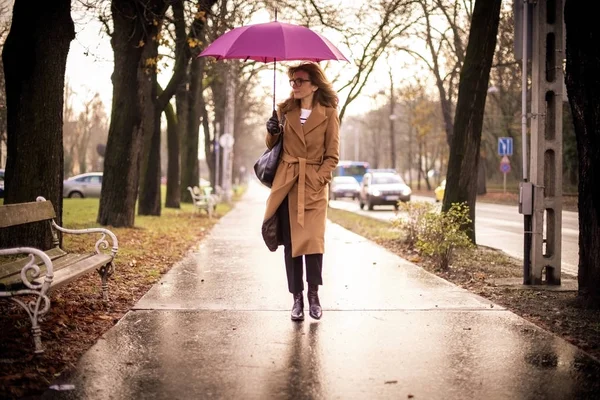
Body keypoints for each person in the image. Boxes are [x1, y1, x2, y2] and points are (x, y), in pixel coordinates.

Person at [262, 62, 340, 321]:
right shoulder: (284, 110)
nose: (294, 85)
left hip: (314, 187)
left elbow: (332, 156)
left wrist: (318, 179)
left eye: (300, 81)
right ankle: (296, 299)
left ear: (314, 85)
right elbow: (274, 146)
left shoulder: (329, 113)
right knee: (292, 244)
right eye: (292, 81)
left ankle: (314, 295)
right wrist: (271, 131)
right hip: (287, 182)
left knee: (313, 242)